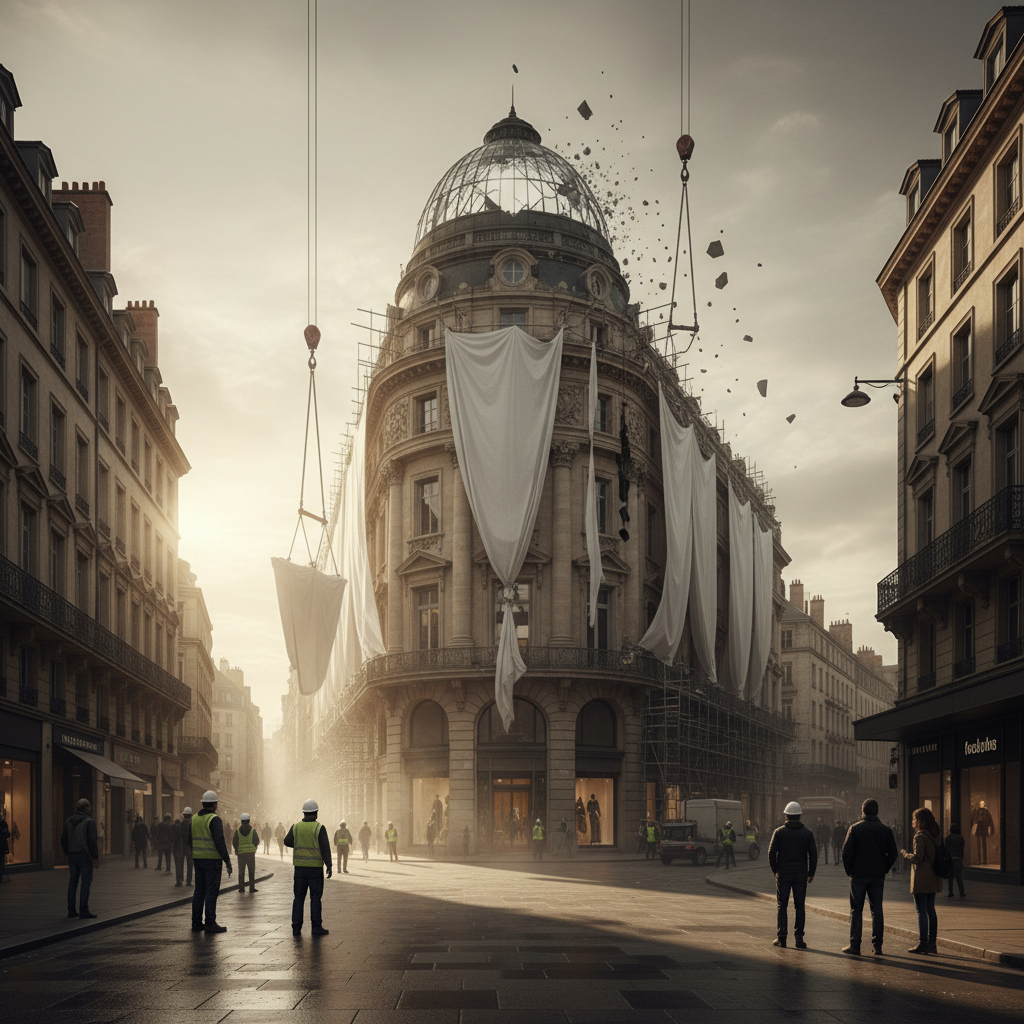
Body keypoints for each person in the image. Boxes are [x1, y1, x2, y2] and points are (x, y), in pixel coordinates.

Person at [840, 798, 898, 956]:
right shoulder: (885, 830)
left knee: (856, 910)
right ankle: (877, 945)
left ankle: (855, 945)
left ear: (863, 811)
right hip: (877, 876)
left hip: (858, 875)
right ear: (877, 811)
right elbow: (893, 853)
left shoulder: (855, 828)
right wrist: (884, 868)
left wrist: (850, 871)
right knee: (877, 910)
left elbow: (846, 852)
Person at [767, 800, 817, 949]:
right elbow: (813, 854)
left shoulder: (779, 832)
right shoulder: (807, 833)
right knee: (800, 906)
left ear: (786, 816)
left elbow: (771, 853)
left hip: (783, 874)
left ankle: (781, 938)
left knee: (782, 905)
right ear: (800, 816)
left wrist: (775, 870)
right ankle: (799, 939)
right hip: (800, 874)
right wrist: (811, 873)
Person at [284, 798, 332, 935]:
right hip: (315, 869)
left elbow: (286, 841)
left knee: (298, 898)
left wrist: (298, 844)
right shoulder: (319, 828)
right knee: (315, 897)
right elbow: (325, 848)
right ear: (316, 813)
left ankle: (296, 928)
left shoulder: (296, 826)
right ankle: (316, 927)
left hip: (299, 869)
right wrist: (329, 865)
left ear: (303, 813)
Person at [187, 789, 233, 933]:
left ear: (202, 804)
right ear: (214, 805)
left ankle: (196, 923)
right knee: (211, 892)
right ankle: (210, 922)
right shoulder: (214, 819)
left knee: (199, 891)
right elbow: (220, 842)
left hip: (198, 860)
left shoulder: (194, 819)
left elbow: (189, 840)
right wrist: (227, 860)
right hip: (212, 861)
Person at [901, 806, 942, 954]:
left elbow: (918, 857)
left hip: (922, 878)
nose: (913, 821)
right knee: (931, 910)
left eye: (914, 819)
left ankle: (923, 943)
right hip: (933, 877)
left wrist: (905, 854)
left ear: (921, 821)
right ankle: (932, 943)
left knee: (921, 911)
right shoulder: (935, 835)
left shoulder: (919, 836)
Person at [61, 798, 99, 919]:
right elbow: (92, 841)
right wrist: (95, 856)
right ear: (87, 809)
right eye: (90, 808)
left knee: (73, 881)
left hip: (72, 855)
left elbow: (63, 839)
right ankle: (84, 909)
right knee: (86, 881)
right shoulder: (89, 822)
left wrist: (68, 852)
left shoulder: (68, 821)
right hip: (84, 854)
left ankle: (71, 910)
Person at [232, 813, 259, 894]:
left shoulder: (237, 831)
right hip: (251, 853)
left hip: (241, 854)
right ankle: (252, 887)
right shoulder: (253, 830)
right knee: (251, 871)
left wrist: (237, 849)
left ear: (241, 821)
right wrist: (254, 847)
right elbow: (257, 840)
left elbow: (234, 842)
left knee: (241, 871)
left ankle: (241, 888)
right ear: (249, 821)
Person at [945, 823, 966, 898]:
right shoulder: (961, 838)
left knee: (950, 877)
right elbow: (962, 848)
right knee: (959, 877)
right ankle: (962, 892)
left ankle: (950, 892)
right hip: (959, 858)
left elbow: (946, 849)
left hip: (951, 858)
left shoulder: (948, 838)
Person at [971, 801, 994, 865]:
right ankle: (979, 860)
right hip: (979, 828)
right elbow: (975, 819)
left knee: (984, 843)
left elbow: (989, 821)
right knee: (979, 843)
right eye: (981, 803)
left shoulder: (986, 811)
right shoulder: (978, 811)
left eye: (983, 803)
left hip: (984, 828)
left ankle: (984, 860)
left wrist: (989, 828)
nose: (981, 804)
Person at [181, 808, 194, 887]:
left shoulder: (181, 824)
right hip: (190, 847)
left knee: (180, 864)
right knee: (190, 865)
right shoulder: (192, 823)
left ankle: (180, 880)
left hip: (182, 847)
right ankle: (188, 881)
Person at [172, 814, 185, 887]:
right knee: (181, 864)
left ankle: (178, 880)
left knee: (177, 865)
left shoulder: (173, 829)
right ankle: (181, 878)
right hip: (182, 848)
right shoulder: (182, 829)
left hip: (175, 848)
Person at [0, 814, 10, 883]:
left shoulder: (3, 823)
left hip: (2, 845)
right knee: (1, 862)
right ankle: (3, 877)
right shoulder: (3, 823)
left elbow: (7, 834)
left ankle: (3, 877)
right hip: (2, 845)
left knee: (1, 861)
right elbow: (7, 834)